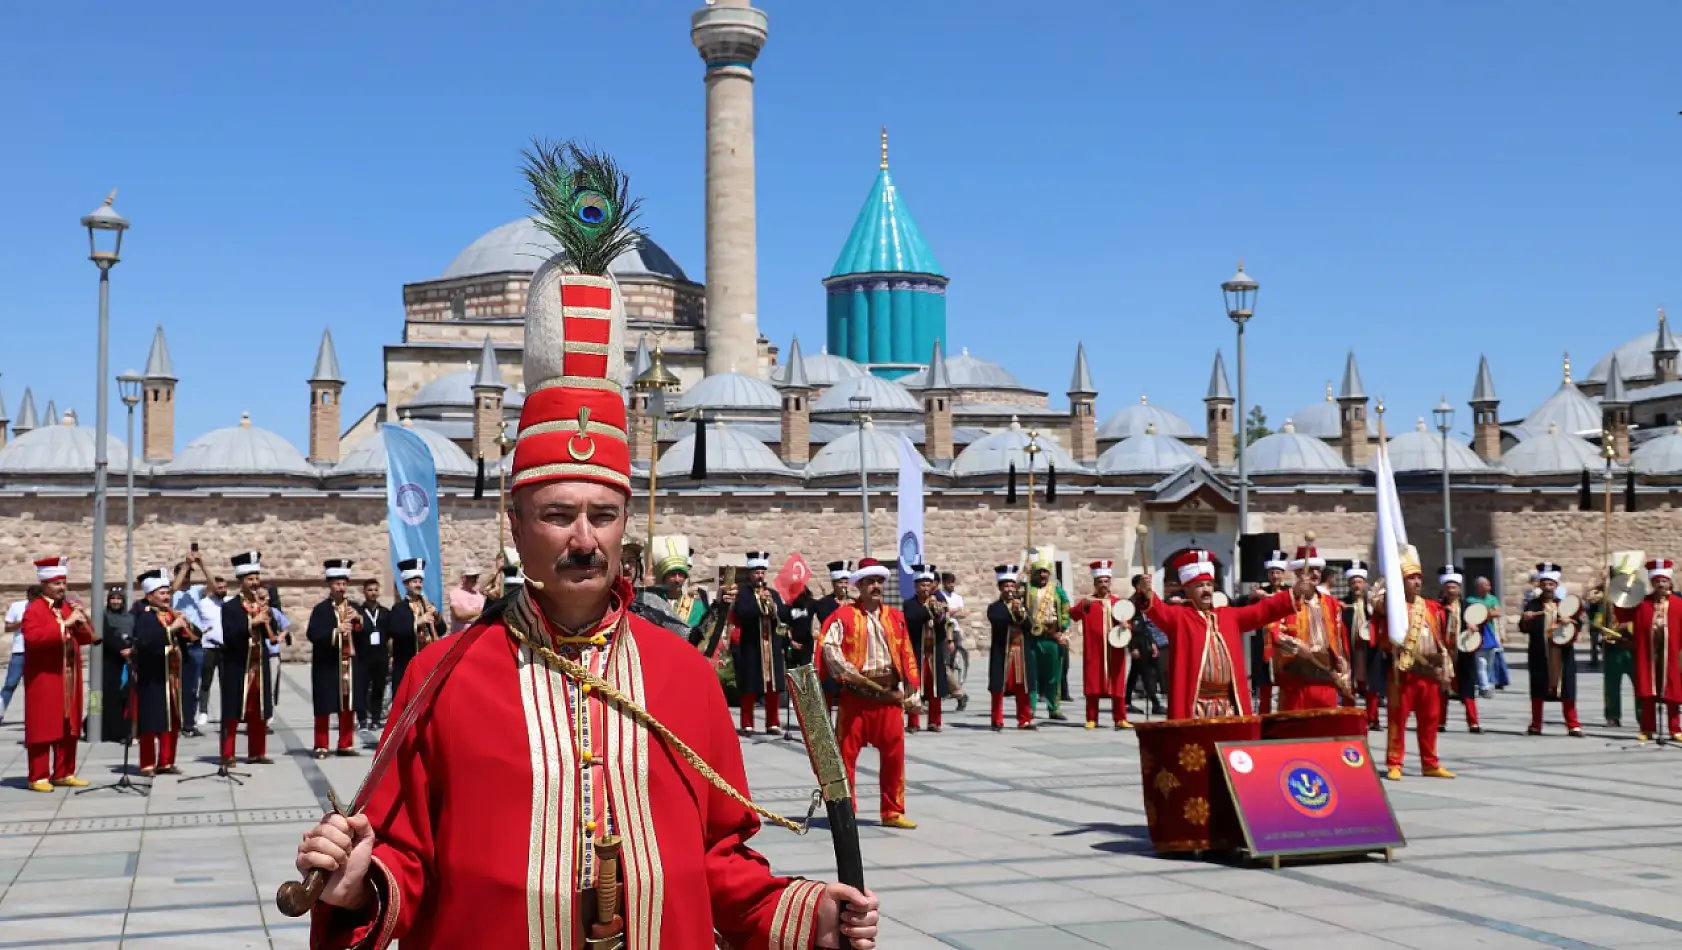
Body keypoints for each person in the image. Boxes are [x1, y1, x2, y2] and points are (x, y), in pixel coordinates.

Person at [295, 225, 879, 946]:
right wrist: (360, 882)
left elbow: (720, 861)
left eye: (603, 515)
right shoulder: (438, 678)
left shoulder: (685, 677)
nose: (584, 539)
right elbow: (403, 860)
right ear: (515, 522)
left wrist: (808, 913)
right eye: (557, 514)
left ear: (626, 522)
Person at [1134, 550, 1308, 720]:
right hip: (1195, 705)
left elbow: (1263, 610)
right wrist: (1147, 592)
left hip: (1228, 705)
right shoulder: (1179, 617)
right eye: (1200, 585)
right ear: (1187, 589)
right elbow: (1157, 609)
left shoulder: (1228, 615)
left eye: (1209, 585)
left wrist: (1294, 593)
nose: (1206, 590)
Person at [820, 557, 919, 829]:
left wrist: (912, 693)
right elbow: (829, 647)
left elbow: (907, 655)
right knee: (845, 756)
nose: (875, 586)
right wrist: (848, 671)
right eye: (869, 582)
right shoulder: (843, 616)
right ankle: (845, 811)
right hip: (856, 696)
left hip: (888, 697)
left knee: (894, 756)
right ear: (859, 586)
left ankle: (892, 811)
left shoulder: (896, 618)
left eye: (879, 581)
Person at [1374, 546, 1456, 781]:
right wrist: (1388, 576)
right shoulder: (1394, 607)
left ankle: (1430, 763)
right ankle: (1394, 762)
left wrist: (1445, 666)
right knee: (1398, 720)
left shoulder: (1430, 608)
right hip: (1404, 672)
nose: (1417, 582)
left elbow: (1441, 639)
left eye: (1419, 577)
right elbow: (1377, 602)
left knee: (1430, 719)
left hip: (1429, 671)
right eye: (1411, 578)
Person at [19, 557, 96, 790]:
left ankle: (64, 772)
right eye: (56, 583)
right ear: (44, 585)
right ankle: (38, 776)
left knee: (68, 725)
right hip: (45, 678)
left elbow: (87, 638)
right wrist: (64, 624)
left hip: (69, 678)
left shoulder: (66, 607)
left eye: (64, 583)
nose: (62, 588)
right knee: (43, 725)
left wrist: (82, 621)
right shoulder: (35, 609)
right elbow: (33, 639)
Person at [1269, 545, 1349, 712]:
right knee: (1295, 733)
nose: (1315, 574)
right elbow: (1274, 634)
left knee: (1325, 732)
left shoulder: (1331, 604)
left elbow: (1340, 642)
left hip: (1326, 680)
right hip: (1297, 682)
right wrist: (1297, 647)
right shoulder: (1285, 602)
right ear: (1298, 573)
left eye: (1318, 570)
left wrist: (1344, 671)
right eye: (1310, 569)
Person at [1615, 557, 1682, 741]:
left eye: (1664, 580)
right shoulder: (1641, 603)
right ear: (1652, 583)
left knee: (1672, 693)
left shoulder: (1679, 604)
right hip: (1648, 654)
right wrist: (1619, 593)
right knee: (1648, 693)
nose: (1661, 584)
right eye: (1657, 581)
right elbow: (1622, 614)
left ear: (1669, 582)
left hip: (1671, 655)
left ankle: (1675, 728)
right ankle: (1647, 728)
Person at [217, 551, 275, 766]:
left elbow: (272, 633)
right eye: (250, 579)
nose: (254, 583)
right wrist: (251, 623)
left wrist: (267, 617)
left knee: (259, 709)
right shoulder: (230, 607)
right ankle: (228, 753)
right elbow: (229, 634)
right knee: (233, 710)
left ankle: (257, 752)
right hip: (238, 664)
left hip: (259, 663)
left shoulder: (262, 603)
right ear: (241, 581)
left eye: (256, 578)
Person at [131, 568, 187, 777]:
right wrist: (171, 629)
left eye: (167, 593)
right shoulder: (145, 617)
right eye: (162, 593)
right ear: (149, 596)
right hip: (152, 677)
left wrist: (184, 628)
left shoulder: (169, 614)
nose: (167, 597)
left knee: (171, 720)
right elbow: (146, 641)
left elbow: (191, 636)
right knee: (150, 721)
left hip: (171, 675)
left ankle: (166, 761)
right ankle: (147, 763)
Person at [1519, 562, 1584, 737]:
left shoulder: (1565, 605)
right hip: (1541, 653)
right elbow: (1523, 627)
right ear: (1540, 585)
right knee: (1538, 689)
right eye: (1545, 584)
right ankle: (1536, 724)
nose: (1548, 587)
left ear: (1556, 585)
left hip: (1562, 654)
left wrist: (1569, 621)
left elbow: (1579, 623)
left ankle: (1573, 725)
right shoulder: (1532, 605)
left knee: (1567, 689)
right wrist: (1526, 619)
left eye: (1551, 584)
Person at [307, 559, 362, 758]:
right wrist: (336, 631)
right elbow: (313, 634)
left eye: (344, 583)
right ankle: (321, 744)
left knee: (348, 705)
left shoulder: (354, 607)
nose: (341, 587)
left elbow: (364, 635)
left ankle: (345, 744)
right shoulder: (321, 609)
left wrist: (358, 621)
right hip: (327, 664)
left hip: (349, 664)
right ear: (330, 585)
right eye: (337, 584)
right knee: (324, 705)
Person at [731, 551, 788, 735]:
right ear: (750, 573)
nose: (760, 575)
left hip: (771, 646)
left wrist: (773, 605)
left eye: (762, 572)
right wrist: (759, 605)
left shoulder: (772, 593)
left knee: (773, 686)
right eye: (756, 572)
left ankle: (773, 723)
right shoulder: (743, 593)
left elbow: (784, 615)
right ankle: (747, 723)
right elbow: (742, 612)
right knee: (749, 685)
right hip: (752, 646)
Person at [1071, 559, 1129, 729]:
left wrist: (1126, 626)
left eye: (1106, 581)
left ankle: (1120, 718)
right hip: (1094, 650)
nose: (1103, 584)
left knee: (1117, 683)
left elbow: (1128, 623)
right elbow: (1073, 615)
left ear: (1110, 582)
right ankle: (1091, 718)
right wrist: (1083, 606)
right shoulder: (1088, 602)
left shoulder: (1118, 602)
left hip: (1115, 649)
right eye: (1100, 581)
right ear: (1095, 583)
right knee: (1093, 682)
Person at [902, 564, 952, 732]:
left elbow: (943, 623)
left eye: (928, 584)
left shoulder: (939, 601)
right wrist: (929, 609)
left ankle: (934, 721)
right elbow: (913, 619)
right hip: (917, 651)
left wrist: (940, 613)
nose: (925, 588)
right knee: (914, 687)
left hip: (934, 651)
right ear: (916, 586)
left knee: (934, 688)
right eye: (922, 585)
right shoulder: (910, 604)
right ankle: (913, 722)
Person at [986, 565, 1037, 731]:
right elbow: (999, 621)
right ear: (1000, 588)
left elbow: (1031, 626)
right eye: (1006, 586)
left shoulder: (1022, 606)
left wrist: (1021, 613)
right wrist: (1013, 611)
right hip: (1003, 651)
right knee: (998, 687)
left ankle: (1025, 719)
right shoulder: (994, 608)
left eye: (1011, 585)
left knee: (1023, 687)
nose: (1009, 589)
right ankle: (997, 719)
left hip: (1020, 651)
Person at [1023, 557, 1071, 721]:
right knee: (1032, 675)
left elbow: (1066, 608)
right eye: (1039, 572)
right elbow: (1013, 594)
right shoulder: (1028, 589)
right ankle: (1031, 707)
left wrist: (1062, 628)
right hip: (1033, 636)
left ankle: (1054, 708)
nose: (1042, 575)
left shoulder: (1056, 589)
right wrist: (1023, 573)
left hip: (1052, 635)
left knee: (1054, 675)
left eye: (1045, 572)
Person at [1437, 566, 1482, 734]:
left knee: (1468, 688)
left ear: (1459, 588)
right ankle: (1440, 722)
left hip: (1464, 653)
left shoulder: (1468, 606)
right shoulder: (1437, 607)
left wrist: (1475, 627)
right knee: (1442, 688)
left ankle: (1473, 723)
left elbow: (1481, 624)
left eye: (1454, 587)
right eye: (1448, 587)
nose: (1451, 590)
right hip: (1444, 653)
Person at [1343, 562, 1386, 728]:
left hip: (1371, 649)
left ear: (1365, 583)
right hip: (1351, 649)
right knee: (1349, 684)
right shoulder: (1343, 604)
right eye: (1353, 582)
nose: (1356, 585)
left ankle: (1373, 718)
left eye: (1359, 582)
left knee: (1372, 685)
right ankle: (1348, 717)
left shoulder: (1373, 603)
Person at [388, 557, 437, 700]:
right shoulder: (399, 609)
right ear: (406, 584)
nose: (418, 584)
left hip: (427, 661)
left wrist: (436, 616)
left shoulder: (426, 604)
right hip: (407, 662)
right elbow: (395, 631)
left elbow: (440, 630)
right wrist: (417, 623)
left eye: (420, 581)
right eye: (415, 581)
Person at [1249, 550, 1291, 714]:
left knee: (1286, 682)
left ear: (1283, 574)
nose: (1275, 576)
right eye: (1272, 572)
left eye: (1278, 572)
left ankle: (1286, 714)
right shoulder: (1258, 592)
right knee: (1264, 684)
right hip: (1264, 641)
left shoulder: (1289, 592)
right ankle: (1264, 715)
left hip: (1285, 642)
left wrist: (1266, 597)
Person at [1590, 583, 1633, 728]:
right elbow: (1597, 621)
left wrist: (1629, 625)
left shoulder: (1638, 603)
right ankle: (1612, 716)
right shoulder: (1608, 604)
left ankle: (1644, 717)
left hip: (1632, 648)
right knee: (1611, 685)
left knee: (1640, 685)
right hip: (1612, 649)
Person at [1124, 575, 1166, 717]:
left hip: (1145, 640)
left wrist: (1153, 642)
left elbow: (1146, 625)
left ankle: (1126, 701)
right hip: (1137, 643)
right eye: (1145, 583)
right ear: (1137, 586)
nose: (1148, 586)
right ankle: (1155, 703)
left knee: (1135, 673)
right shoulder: (1131, 603)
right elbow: (1129, 626)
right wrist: (1133, 646)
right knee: (1146, 673)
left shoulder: (1145, 601)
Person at [814, 561, 852, 715]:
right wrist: (842, 609)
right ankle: (826, 722)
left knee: (847, 690)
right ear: (833, 583)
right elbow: (825, 618)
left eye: (845, 582)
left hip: (849, 651)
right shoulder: (825, 603)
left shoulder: (854, 602)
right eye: (840, 582)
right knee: (828, 689)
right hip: (831, 651)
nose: (843, 585)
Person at [193, 573, 230, 731]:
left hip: (226, 648)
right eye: (219, 588)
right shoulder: (203, 604)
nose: (222, 590)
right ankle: (203, 711)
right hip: (209, 647)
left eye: (224, 587)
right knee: (206, 681)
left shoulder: (230, 603)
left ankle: (227, 713)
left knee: (226, 682)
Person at [1, 585, 42, 724]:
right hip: (19, 651)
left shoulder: (45, 608)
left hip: (37, 651)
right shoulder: (17, 606)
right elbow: (7, 627)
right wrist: (22, 622)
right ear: (28, 596)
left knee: (36, 686)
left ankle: (36, 715)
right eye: (32, 598)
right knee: (10, 684)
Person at [355, 578, 391, 730]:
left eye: (375, 590)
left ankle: (375, 718)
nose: (373, 593)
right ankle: (362, 717)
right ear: (364, 592)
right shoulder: (358, 612)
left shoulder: (384, 613)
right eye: (370, 590)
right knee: (361, 687)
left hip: (380, 655)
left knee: (378, 687)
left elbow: (390, 635)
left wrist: (390, 655)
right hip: (363, 655)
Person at [99, 587, 133, 744]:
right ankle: (101, 729)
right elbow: (106, 637)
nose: (115, 601)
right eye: (113, 598)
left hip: (126, 661)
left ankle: (122, 730)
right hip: (108, 661)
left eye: (119, 598)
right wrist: (120, 648)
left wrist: (130, 649)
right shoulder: (103, 617)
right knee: (102, 696)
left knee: (123, 696)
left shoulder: (129, 617)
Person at [1465, 576, 1503, 697]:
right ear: (1479, 587)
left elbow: (1498, 612)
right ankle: (1484, 686)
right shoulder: (1471, 600)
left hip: (1490, 633)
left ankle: (1484, 683)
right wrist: (1487, 612)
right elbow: (1470, 613)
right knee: (1481, 662)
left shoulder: (1492, 599)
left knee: (1490, 662)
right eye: (1486, 585)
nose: (1489, 587)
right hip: (1477, 634)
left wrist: (1483, 612)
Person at [656, 549, 708, 630]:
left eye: (681, 575)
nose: (677, 580)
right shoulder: (652, 603)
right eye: (672, 574)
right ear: (664, 578)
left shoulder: (697, 607)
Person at [939, 572, 969, 711]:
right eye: (948, 582)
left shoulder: (957, 597)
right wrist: (952, 611)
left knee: (945, 664)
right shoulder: (940, 595)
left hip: (953, 631)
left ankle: (957, 693)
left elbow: (963, 613)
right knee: (943, 664)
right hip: (944, 631)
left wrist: (952, 611)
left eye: (952, 582)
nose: (951, 585)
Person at [447, 566, 484, 635]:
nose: (474, 579)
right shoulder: (455, 593)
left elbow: (483, 616)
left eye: (475, 577)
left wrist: (467, 614)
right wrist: (477, 612)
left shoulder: (480, 596)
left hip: (475, 635)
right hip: (459, 636)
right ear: (464, 578)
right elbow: (459, 615)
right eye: (472, 577)